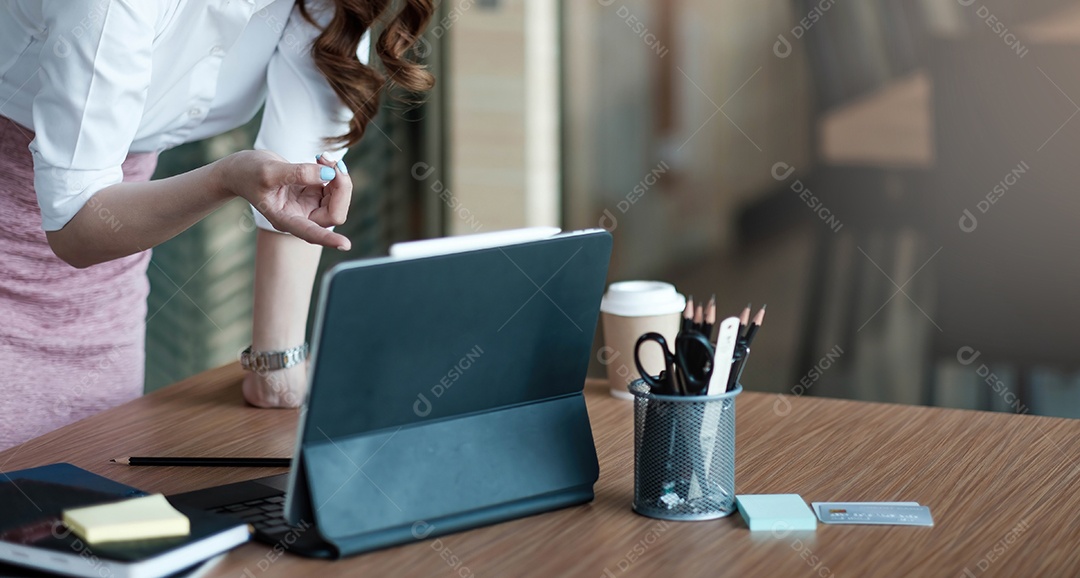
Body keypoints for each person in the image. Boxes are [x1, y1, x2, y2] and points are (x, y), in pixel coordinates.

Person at [0, 0, 434, 450]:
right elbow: (74, 224)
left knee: (86, 479)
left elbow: (298, 172)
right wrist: (225, 179)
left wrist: (276, 367)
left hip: (111, 261)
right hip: (51, 221)